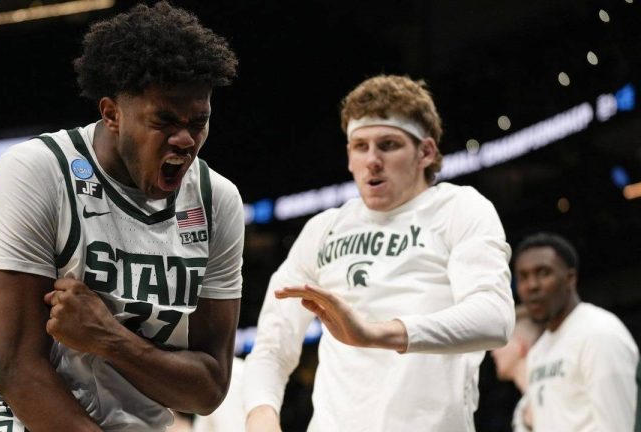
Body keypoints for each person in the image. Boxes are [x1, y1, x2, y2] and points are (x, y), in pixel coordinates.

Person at [0, 2, 244, 431]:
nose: (186, 140)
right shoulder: (38, 170)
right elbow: (17, 371)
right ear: (112, 114)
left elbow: (208, 389)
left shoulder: (217, 200)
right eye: (165, 121)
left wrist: (109, 339)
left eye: (200, 121)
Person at [242, 74, 515, 431]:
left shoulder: (458, 207)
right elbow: (272, 346)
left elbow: (494, 317)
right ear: (349, 156)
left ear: (426, 152)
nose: (372, 160)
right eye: (360, 146)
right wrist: (260, 415)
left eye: (388, 145)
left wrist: (374, 334)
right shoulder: (323, 228)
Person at [514, 232, 639, 431]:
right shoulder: (539, 351)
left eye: (543, 273)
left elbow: (619, 426)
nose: (532, 286)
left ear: (570, 279)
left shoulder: (599, 333)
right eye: (523, 277)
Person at [490, 305, 543, 432]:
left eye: (501, 343)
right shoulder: (521, 408)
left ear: (520, 346)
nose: (493, 352)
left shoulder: (550, 396)